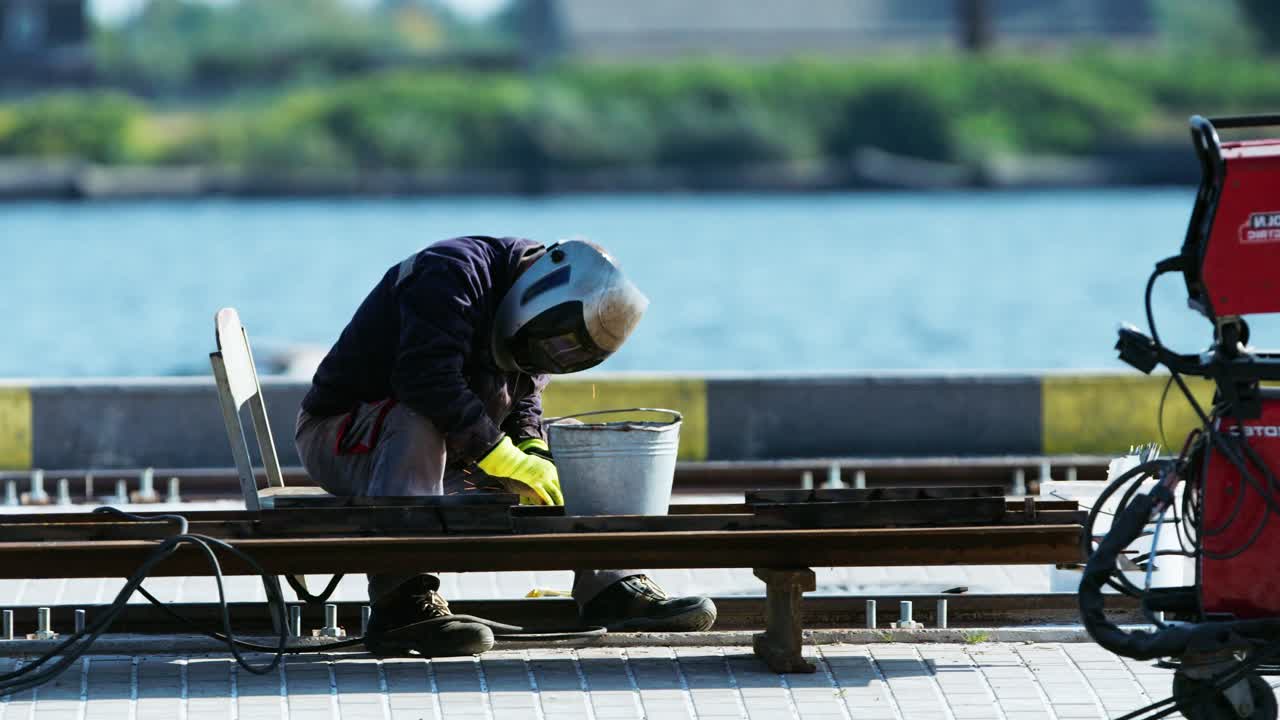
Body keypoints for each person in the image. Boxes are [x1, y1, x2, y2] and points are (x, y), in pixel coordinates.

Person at [294, 236, 717, 657]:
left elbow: (524, 402)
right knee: (417, 418)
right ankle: (402, 600)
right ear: (538, 295)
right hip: (342, 438)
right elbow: (424, 379)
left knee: (574, 446)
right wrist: (500, 455)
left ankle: (610, 585)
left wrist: (532, 450)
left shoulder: (540, 315)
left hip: (447, 447)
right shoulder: (451, 273)